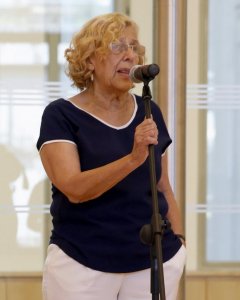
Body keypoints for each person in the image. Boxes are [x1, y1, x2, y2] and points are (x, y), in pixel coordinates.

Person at [37, 12, 186, 300]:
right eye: (118, 47)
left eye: (134, 47)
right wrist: (132, 158)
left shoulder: (149, 110)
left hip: (153, 263)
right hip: (82, 264)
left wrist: (180, 244)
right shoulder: (61, 115)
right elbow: (75, 189)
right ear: (89, 59)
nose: (130, 56)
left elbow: (162, 186)